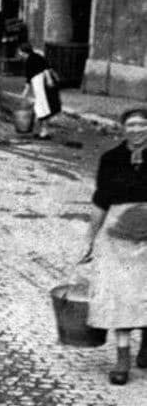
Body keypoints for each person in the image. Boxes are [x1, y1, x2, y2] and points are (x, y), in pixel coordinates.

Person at [82, 107, 147, 385]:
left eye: (142, 125)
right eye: (130, 125)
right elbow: (100, 203)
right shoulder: (111, 159)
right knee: (121, 296)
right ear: (123, 129)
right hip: (117, 235)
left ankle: (146, 347)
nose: (135, 130)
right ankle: (122, 358)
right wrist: (90, 239)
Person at [18, 42, 61, 140]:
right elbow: (29, 77)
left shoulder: (34, 58)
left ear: (23, 51)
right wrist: (25, 91)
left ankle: (44, 132)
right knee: (40, 108)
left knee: (43, 108)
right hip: (38, 84)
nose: (19, 54)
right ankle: (42, 131)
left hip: (42, 84)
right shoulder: (32, 58)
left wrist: (49, 79)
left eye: (20, 52)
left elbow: (46, 68)